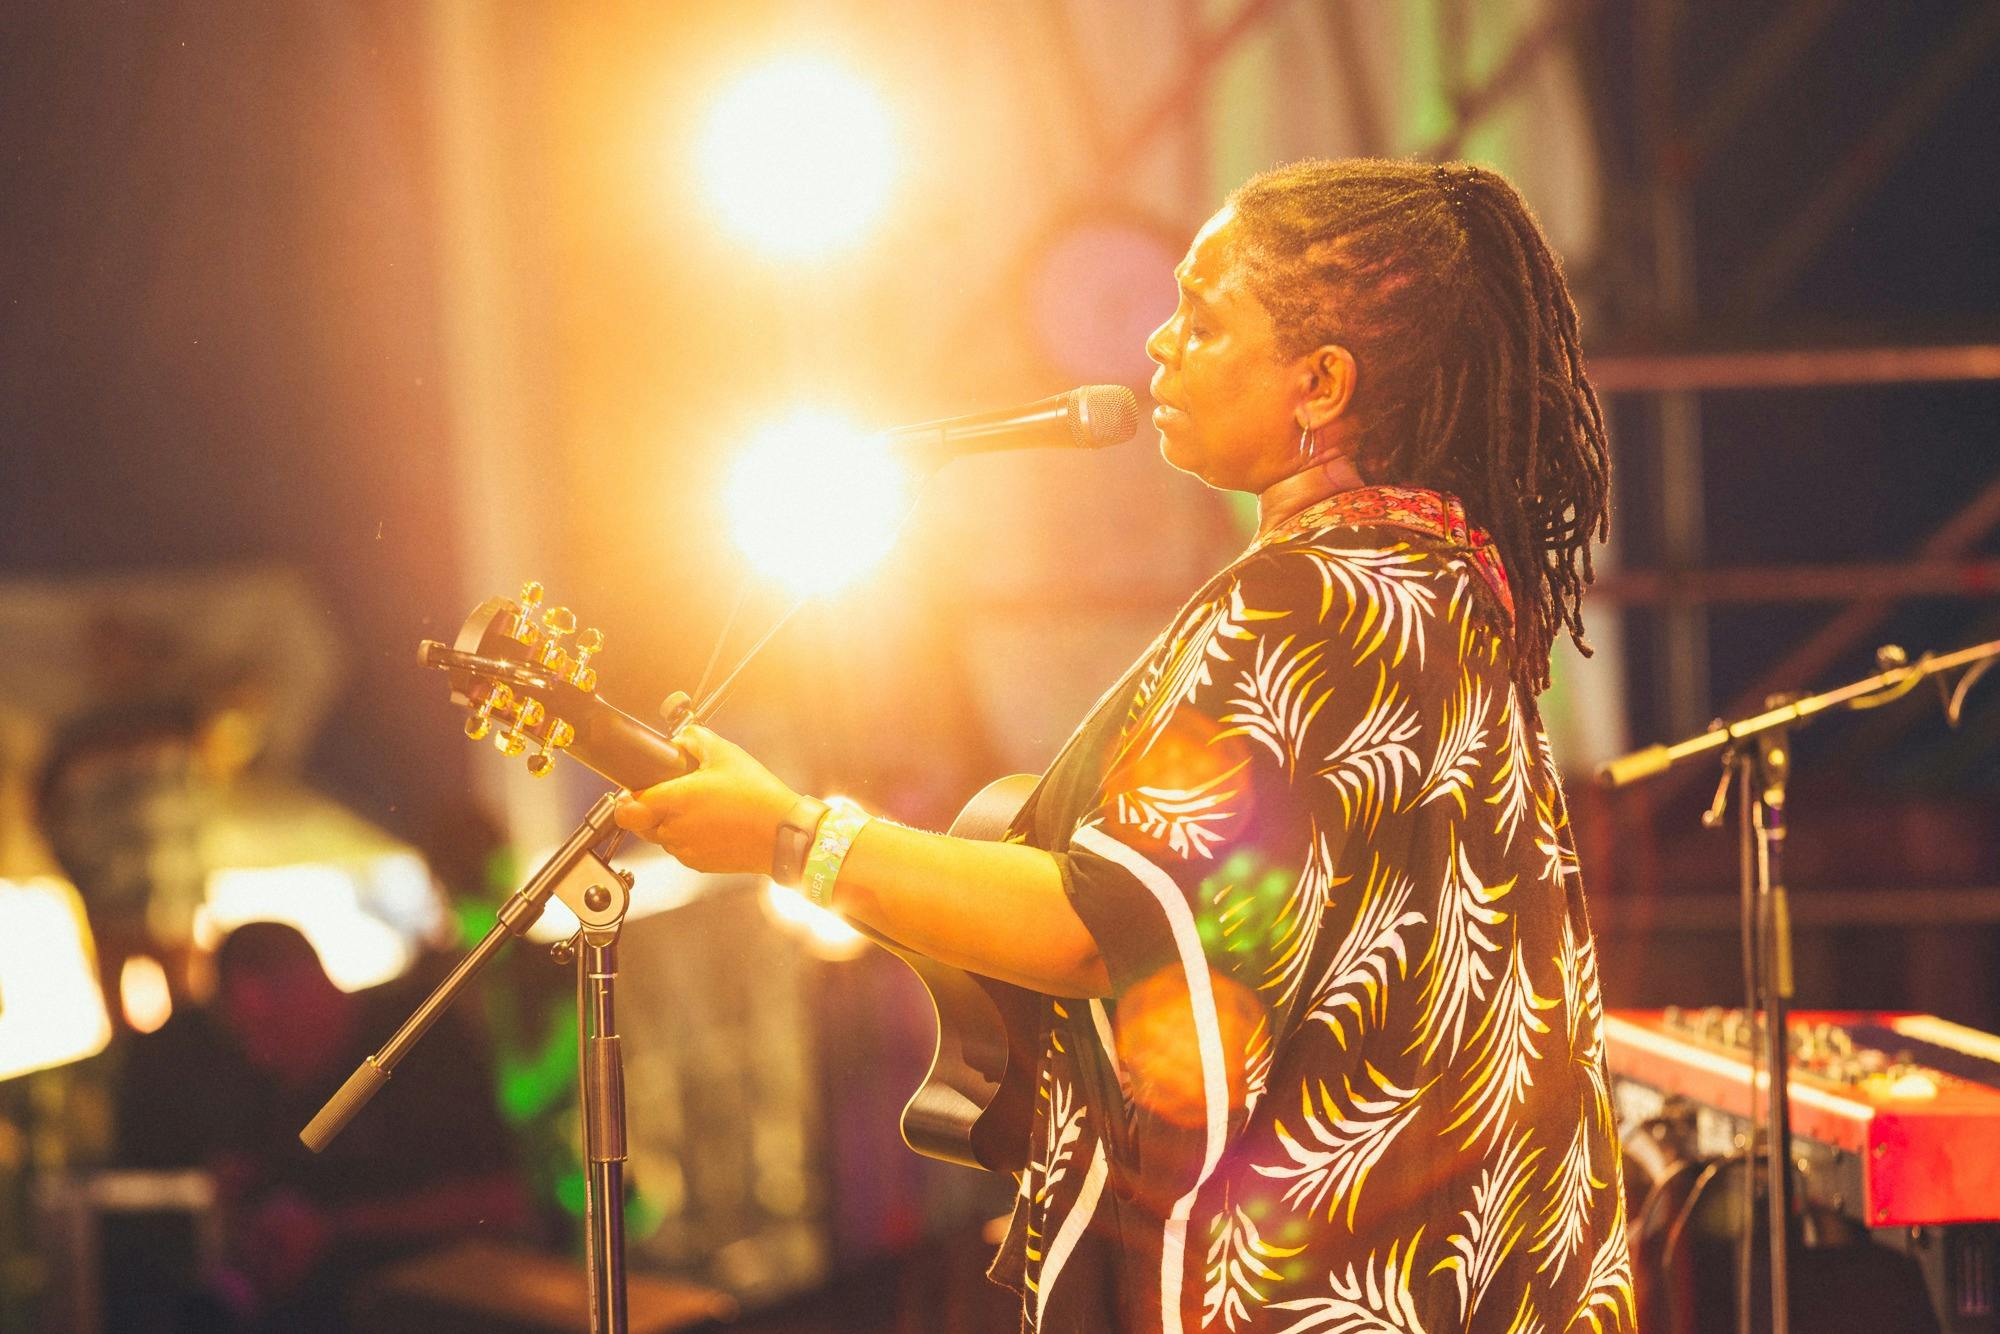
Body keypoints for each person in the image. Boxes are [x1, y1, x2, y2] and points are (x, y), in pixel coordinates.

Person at [614, 157, 1630, 1333]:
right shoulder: (1437, 588)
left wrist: (790, 835)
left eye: (1202, 318)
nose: (1156, 342)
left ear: (1320, 382)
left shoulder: (1308, 607)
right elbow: (1229, 934)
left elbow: (1099, 927)